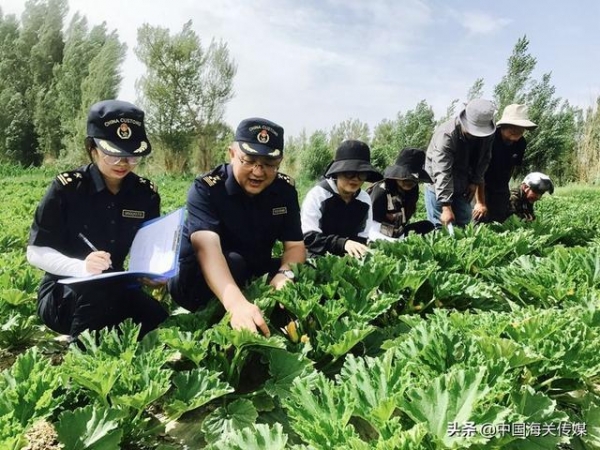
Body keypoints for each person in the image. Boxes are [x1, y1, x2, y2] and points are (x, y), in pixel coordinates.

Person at [27, 100, 169, 342]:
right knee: (98, 295)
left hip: (117, 287)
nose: (123, 163)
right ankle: (82, 364)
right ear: (92, 148)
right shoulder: (67, 189)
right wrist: (81, 267)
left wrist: (154, 274)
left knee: (156, 317)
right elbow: (36, 252)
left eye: (132, 156)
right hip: (64, 292)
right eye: (113, 154)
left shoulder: (145, 194)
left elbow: (147, 252)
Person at [168, 118, 305, 336]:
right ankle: (214, 330)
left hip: (250, 269)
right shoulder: (207, 189)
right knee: (235, 262)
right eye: (249, 161)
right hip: (197, 277)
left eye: (269, 165)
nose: (258, 172)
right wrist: (236, 304)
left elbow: (295, 246)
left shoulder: (284, 191)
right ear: (232, 154)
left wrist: (284, 275)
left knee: (304, 270)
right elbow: (207, 249)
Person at [301, 140, 382, 258]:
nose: (355, 179)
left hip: (348, 257)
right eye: (349, 173)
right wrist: (342, 243)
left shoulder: (364, 199)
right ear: (337, 172)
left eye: (361, 174)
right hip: (315, 255)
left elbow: (362, 237)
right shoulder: (318, 195)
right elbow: (308, 237)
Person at [424, 98, 496, 227]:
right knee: (440, 226)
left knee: (464, 221)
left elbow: (484, 159)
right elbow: (441, 171)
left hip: (463, 183)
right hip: (438, 184)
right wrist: (446, 206)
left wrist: (475, 181)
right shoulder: (446, 135)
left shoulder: (488, 135)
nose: (476, 135)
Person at [479, 104, 537, 223]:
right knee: (479, 217)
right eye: (513, 130)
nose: (516, 135)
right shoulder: (489, 139)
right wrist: (480, 202)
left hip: (501, 186)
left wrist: (504, 186)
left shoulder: (521, 143)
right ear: (503, 126)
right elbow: (478, 170)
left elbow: (513, 167)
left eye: (521, 131)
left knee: (499, 220)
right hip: (481, 183)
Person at [368, 147, 435, 239]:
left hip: (398, 232)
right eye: (405, 178)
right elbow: (370, 223)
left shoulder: (413, 190)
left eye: (413, 179)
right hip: (376, 233)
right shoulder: (381, 190)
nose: (409, 182)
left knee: (428, 226)